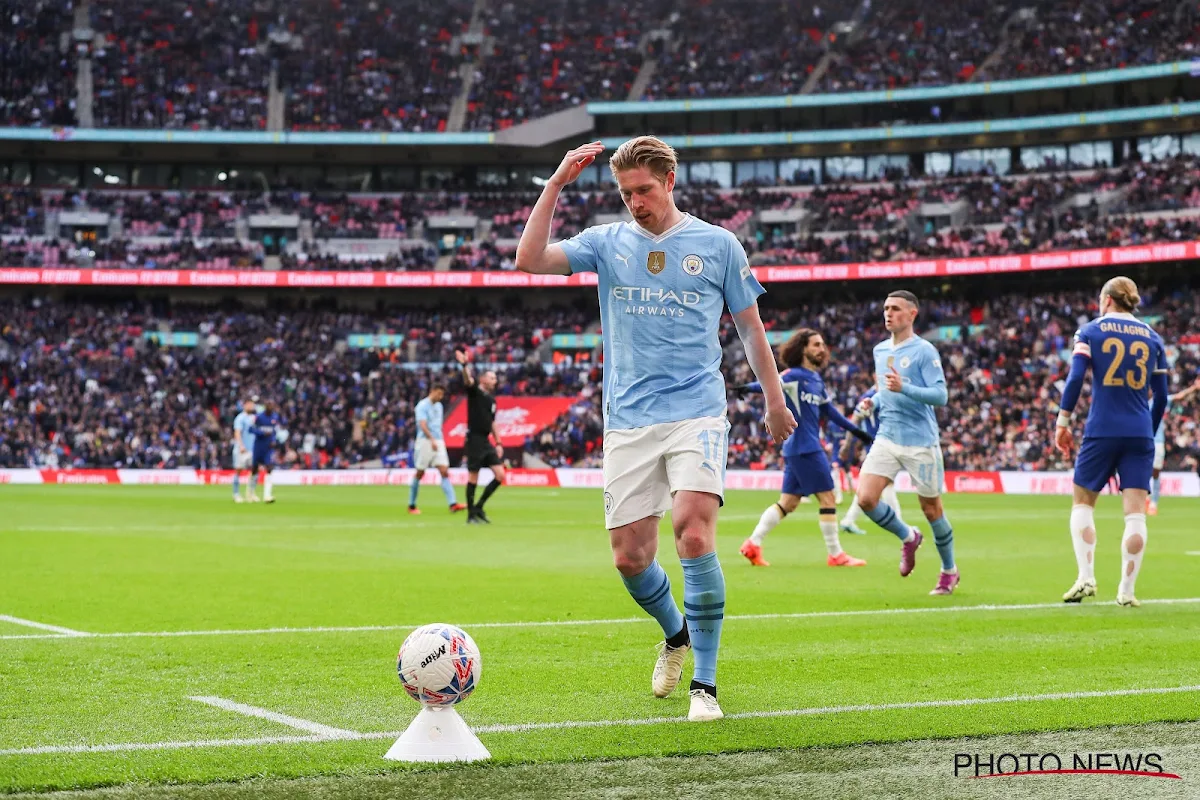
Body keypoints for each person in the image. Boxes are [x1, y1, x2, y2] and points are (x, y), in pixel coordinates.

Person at [514, 135, 797, 722]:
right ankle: (676, 634)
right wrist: (555, 185)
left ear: (670, 181)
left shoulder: (717, 244)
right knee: (629, 558)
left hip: (697, 411)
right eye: (625, 193)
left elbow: (750, 328)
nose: (634, 202)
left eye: (643, 190)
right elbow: (530, 260)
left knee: (693, 533)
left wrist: (774, 399)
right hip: (628, 420)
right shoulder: (606, 242)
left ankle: (706, 686)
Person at [1056, 277, 1168, 607]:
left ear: (1106, 300)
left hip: (1102, 429)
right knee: (1135, 515)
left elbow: (1076, 378)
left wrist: (1063, 422)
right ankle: (1127, 591)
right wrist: (1146, 432)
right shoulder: (1154, 338)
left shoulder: (1090, 331)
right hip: (1139, 432)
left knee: (1082, 502)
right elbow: (1160, 398)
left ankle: (1086, 577)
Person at [736, 328, 872, 567]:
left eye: (822, 344)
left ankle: (753, 544)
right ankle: (836, 554)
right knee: (828, 498)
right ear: (803, 349)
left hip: (797, 449)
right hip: (806, 447)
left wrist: (857, 431)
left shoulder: (816, 381)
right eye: (816, 345)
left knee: (788, 502)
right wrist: (746, 388)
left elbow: (831, 414)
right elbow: (769, 383)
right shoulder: (794, 375)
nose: (822, 349)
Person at [854, 290, 959, 596]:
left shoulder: (925, 351)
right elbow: (883, 388)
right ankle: (908, 536)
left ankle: (949, 571)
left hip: (920, 442)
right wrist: (871, 401)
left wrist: (906, 387)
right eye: (886, 308)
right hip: (887, 436)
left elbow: (941, 395)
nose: (889, 313)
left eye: (896, 309)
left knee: (931, 510)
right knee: (865, 499)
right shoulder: (880, 350)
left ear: (912, 314)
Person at [838, 385, 903, 536]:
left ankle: (848, 520)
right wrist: (848, 444)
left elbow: (856, 418)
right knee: (887, 484)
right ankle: (900, 523)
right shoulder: (873, 395)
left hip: (879, 444)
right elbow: (855, 418)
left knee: (869, 487)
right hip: (879, 444)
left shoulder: (879, 393)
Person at [456, 350, 505, 524]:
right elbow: (467, 380)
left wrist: (498, 442)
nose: (495, 381)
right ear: (483, 379)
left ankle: (479, 507)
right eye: (492, 378)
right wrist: (464, 365)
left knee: (500, 474)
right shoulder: (475, 392)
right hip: (474, 439)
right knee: (473, 476)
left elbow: (493, 423)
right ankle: (470, 515)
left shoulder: (492, 401)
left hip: (486, 440)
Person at [409, 384, 467, 515]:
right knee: (420, 473)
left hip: (438, 441)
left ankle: (453, 504)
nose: (440, 397)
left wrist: (438, 439)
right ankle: (411, 505)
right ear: (432, 391)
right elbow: (422, 425)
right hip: (425, 441)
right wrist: (431, 439)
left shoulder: (439, 407)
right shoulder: (422, 406)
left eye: (442, 395)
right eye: (439, 394)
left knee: (444, 471)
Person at [1148, 379, 1200, 515]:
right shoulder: (1137, 404)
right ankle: (1146, 499)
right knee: (1142, 471)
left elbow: (1179, 396)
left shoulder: (1159, 401)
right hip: (1142, 442)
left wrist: (1194, 388)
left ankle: (1153, 502)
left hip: (1157, 441)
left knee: (1155, 472)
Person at [251, 400, 284, 505]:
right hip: (258, 446)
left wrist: (274, 440)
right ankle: (251, 493)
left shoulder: (275, 417)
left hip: (268, 448)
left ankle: (267, 495)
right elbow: (251, 429)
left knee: (269, 468)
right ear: (265, 406)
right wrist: (262, 433)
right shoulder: (259, 417)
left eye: (272, 405)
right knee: (255, 469)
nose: (270, 406)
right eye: (268, 405)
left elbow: (274, 431)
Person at [232, 399, 257, 503]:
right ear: (245, 405)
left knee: (254, 470)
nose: (252, 406)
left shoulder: (253, 418)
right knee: (238, 470)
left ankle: (251, 493)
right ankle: (236, 493)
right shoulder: (240, 418)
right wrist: (241, 445)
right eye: (250, 404)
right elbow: (237, 432)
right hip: (241, 449)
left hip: (252, 448)